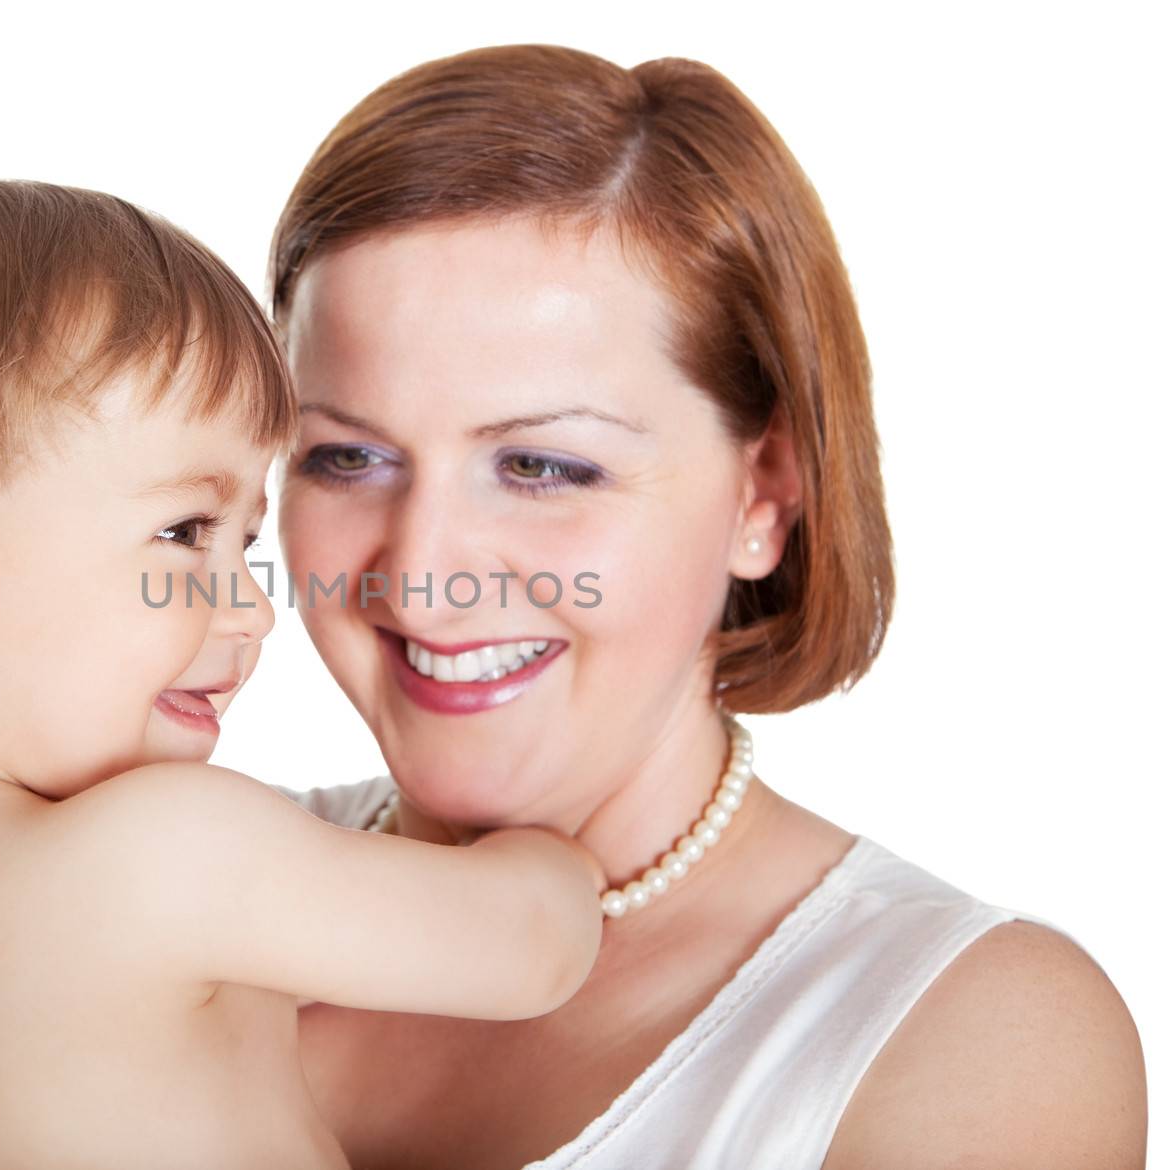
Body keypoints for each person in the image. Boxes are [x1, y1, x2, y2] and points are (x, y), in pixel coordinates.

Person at [266, 45, 1147, 1169]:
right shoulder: (147, 888)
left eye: (541, 467)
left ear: (763, 496)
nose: (423, 575)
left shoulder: (966, 1032)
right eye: (345, 457)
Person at [0, 175, 609, 1169]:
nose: (251, 608)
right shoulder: (158, 853)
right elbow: (531, 947)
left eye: (244, 543)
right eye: (184, 531)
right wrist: (556, 854)